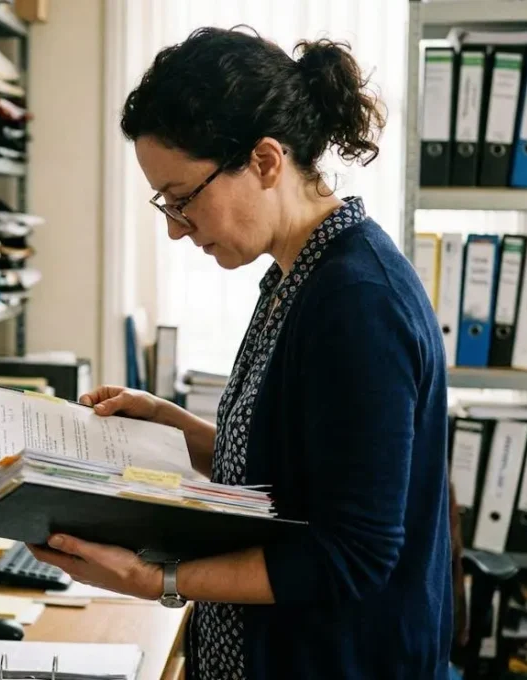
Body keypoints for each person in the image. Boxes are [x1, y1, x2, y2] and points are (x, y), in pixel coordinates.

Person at [27, 26, 453, 679]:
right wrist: (177, 429)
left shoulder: (359, 302)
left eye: (182, 199)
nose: (173, 228)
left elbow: (353, 554)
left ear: (264, 161)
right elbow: (304, 472)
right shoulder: (297, 273)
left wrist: (157, 579)